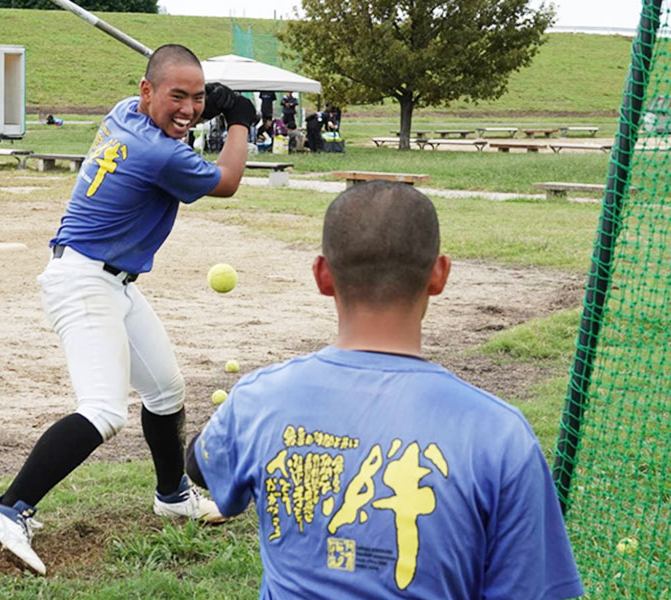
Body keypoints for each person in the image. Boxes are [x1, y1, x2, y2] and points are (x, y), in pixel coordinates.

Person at [186, 181, 585, 599]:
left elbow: (199, 468)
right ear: (439, 274)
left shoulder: (258, 399)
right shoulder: (502, 435)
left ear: (323, 276)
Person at [0, 44, 256, 576]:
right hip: (83, 282)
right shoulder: (161, 155)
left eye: (197, 98)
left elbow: (172, 123)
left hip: (113, 282)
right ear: (147, 91)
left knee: (167, 391)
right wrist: (238, 119)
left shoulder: (124, 112)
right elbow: (228, 181)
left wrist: (197, 108)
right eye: (177, 96)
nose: (189, 109)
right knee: (103, 410)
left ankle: (173, 495)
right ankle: (9, 507)